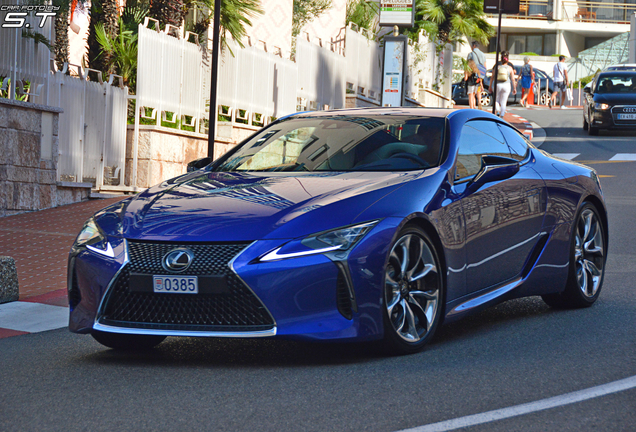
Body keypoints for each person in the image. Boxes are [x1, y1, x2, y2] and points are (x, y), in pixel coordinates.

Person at [489, 51, 517, 118]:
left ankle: (498, 111)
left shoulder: (497, 67)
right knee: (504, 102)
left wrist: (490, 86)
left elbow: (492, 77)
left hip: (498, 85)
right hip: (507, 85)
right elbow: (513, 79)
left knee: (496, 100)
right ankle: (502, 115)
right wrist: (514, 88)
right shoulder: (510, 68)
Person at [467, 41, 486, 109]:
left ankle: (472, 106)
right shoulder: (483, 54)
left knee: (472, 92)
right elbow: (485, 65)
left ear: (474, 46)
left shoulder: (471, 54)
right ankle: (479, 102)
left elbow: (468, 65)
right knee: (478, 89)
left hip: (473, 74)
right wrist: (483, 74)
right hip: (480, 73)